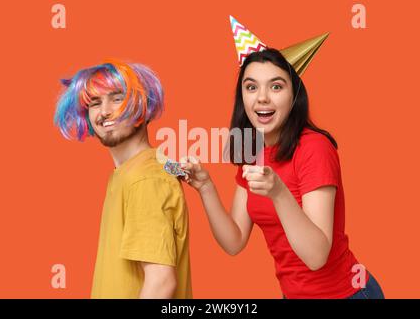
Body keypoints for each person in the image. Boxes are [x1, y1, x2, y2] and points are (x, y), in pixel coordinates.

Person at [180, 17, 384, 299]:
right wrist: (205, 188)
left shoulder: (315, 148)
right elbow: (234, 241)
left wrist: (279, 193)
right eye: (251, 87)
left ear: (294, 96)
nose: (262, 97)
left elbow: (316, 256)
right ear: (242, 97)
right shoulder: (254, 153)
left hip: (344, 294)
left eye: (276, 87)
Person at [54, 60, 192, 299]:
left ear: (143, 106)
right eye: (95, 103)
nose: (105, 111)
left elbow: (160, 283)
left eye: (117, 98)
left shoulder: (145, 179)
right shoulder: (130, 173)